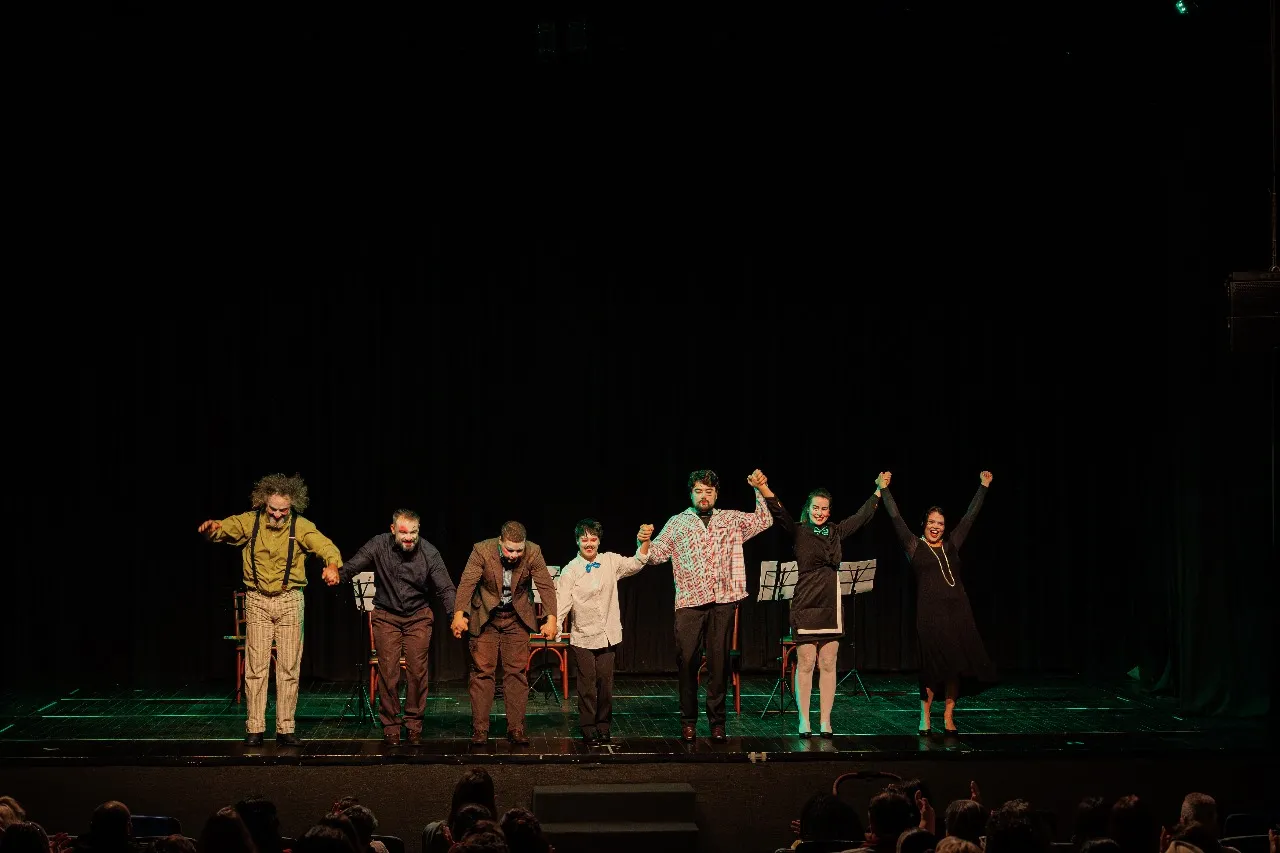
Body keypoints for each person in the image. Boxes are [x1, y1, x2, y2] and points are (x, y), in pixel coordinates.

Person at [199, 473, 342, 746]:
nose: (277, 515)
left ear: (292, 506)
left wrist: (332, 564)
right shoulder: (250, 521)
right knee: (256, 667)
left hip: (289, 600)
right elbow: (223, 528)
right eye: (272, 510)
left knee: (289, 667)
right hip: (257, 600)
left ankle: (285, 728)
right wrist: (212, 529)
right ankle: (255, 728)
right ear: (264, 503)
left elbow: (325, 545)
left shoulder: (300, 526)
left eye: (283, 511)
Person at [755, 470, 890, 737]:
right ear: (808, 508)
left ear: (829, 511)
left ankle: (825, 721)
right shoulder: (800, 531)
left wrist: (879, 490)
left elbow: (861, 518)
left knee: (829, 662)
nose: (820, 512)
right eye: (816, 507)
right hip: (806, 604)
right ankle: (804, 720)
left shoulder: (835, 532)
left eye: (824, 509)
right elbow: (780, 513)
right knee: (806, 662)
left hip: (831, 604)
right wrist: (764, 488)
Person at [645, 468, 773, 743]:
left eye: (709, 491)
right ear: (691, 494)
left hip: (722, 601)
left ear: (716, 494)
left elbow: (764, 521)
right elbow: (655, 555)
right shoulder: (678, 522)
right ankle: (688, 721)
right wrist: (642, 542)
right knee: (687, 663)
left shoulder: (730, 519)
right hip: (689, 603)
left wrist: (758, 488)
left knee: (719, 664)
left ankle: (717, 722)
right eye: (699, 491)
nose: (704, 496)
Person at [324, 508, 457, 746]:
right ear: (393, 529)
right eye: (404, 532)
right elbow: (354, 565)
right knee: (389, 672)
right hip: (386, 616)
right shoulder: (378, 545)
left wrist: (455, 615)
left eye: (413, 533)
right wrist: (338, 576)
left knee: (417, 672)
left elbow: (446, 588)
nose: (408, 538)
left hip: (418, 616)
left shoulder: (429, 552)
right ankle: (391, 726)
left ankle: (414, 724)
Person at [881, 471, 996, 736]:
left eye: (941, 523)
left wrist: (984, 487)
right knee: (932, 669)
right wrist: (884, 490)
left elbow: (970, 517)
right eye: (932, 522)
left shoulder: (952, 545)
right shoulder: (914, 546)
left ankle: (948, 715)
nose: (936, 527)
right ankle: (925, 715)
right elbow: (896, 518)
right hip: (929, 618)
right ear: (924, 524)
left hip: (958, 614)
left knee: (955, 666)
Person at [451, 521, 558, 746]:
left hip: (516, 618)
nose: (514, 555)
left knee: (516, 674)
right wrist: (460, 614)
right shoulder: (482, 550)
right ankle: (480, 729)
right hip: (486, 618)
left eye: (519, 550)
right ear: (500, 542)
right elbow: (467, 584)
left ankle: (516, 728)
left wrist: (551, 619)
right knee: (482, 673)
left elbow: (546, 586)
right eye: (510, 549)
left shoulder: (533, 551)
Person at [555, 517, 654, 744]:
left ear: (599, 541)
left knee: (605, 684)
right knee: (587, 684)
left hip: (608, 634)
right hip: (583, 636)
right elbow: (563, 603)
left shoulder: (610, 561)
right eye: (584, 539)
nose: (589, 543)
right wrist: (557, 627)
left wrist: (644, 542)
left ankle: (603, 724)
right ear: (577, 542)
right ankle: (588, 725)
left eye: (593, 538)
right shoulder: (571, 570)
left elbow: (637, 562)